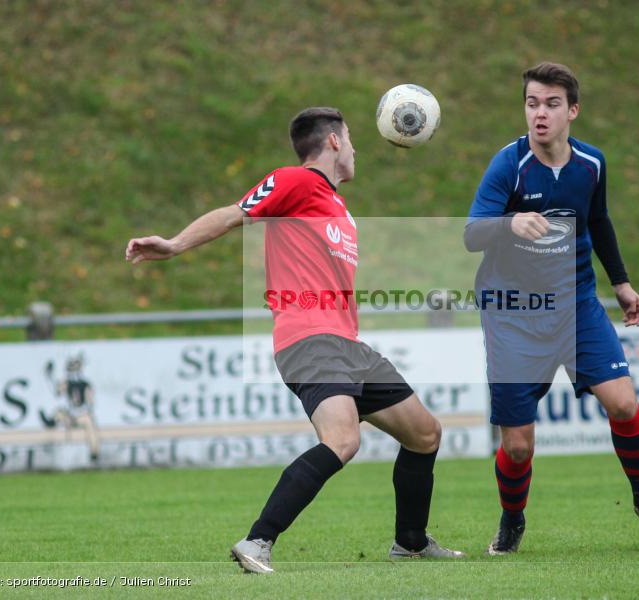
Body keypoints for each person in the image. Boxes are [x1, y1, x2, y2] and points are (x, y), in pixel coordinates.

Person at [126, 107, 464, 573]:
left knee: (425, 433)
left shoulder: (334, 203)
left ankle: (410, 542)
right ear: (332, 143)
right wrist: (175, 244)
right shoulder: (296, 180)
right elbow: (234, 213)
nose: (355, 147)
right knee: (343, 440)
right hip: (310, 338)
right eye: (350, 138)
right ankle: (257, 541)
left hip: (346, 344)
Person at [465, 63, 639, 555]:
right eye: (531, 104)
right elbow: (471, 233)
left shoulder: (592, 163)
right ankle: (511, 520)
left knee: (625, 404)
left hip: (576, 305)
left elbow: (599, 220)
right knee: (518, 445)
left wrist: (623, 284)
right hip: (513, 315)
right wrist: (510, 223)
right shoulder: (509, 164)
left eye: (550, 104)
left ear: (572, 110)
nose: (539, 114)